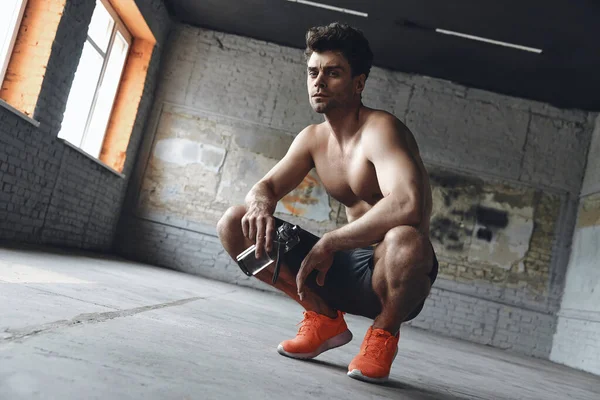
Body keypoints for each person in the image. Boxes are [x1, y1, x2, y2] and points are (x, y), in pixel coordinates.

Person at [217, 22, 438, 384]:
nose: (318, 82)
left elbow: (407, 204)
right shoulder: (313, 139)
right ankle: (322, 319)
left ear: (359, 83)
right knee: (234, 222)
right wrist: (259, 203)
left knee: (406, 239)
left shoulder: (381, 130)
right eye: (313, 72)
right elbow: (267, 186)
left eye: (333, 73)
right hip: (336, 270)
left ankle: (383, 334)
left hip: (390, 275)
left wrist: (331, 241)